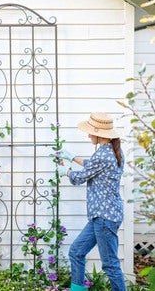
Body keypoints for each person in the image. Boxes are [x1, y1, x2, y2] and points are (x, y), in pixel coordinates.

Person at [56, 112, 126, 291]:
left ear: (99, 133)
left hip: (104, 218)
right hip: (102, 217)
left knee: (110, 264)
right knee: (76, 252)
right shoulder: (113, 151)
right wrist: (72, 157)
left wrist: (67, 172)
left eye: (90, 132)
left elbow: (80, 178)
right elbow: (92, 164)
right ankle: (77, 289)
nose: (88, 136)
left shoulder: (103, 155)